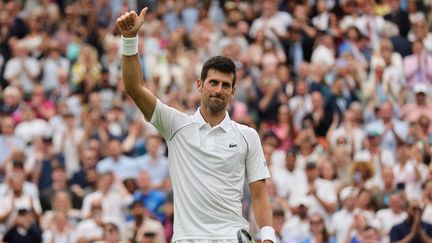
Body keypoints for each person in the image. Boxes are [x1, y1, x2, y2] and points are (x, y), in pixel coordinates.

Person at [116, 8, 275, 242]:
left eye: (224, 85)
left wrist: (269, 238)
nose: (218, 90)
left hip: (232, 237)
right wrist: (129, 40)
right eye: (213, 83)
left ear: (233, 91)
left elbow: (259, 195)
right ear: (200, 85)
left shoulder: (247, 135)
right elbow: (134, 88)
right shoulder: (175, 125)